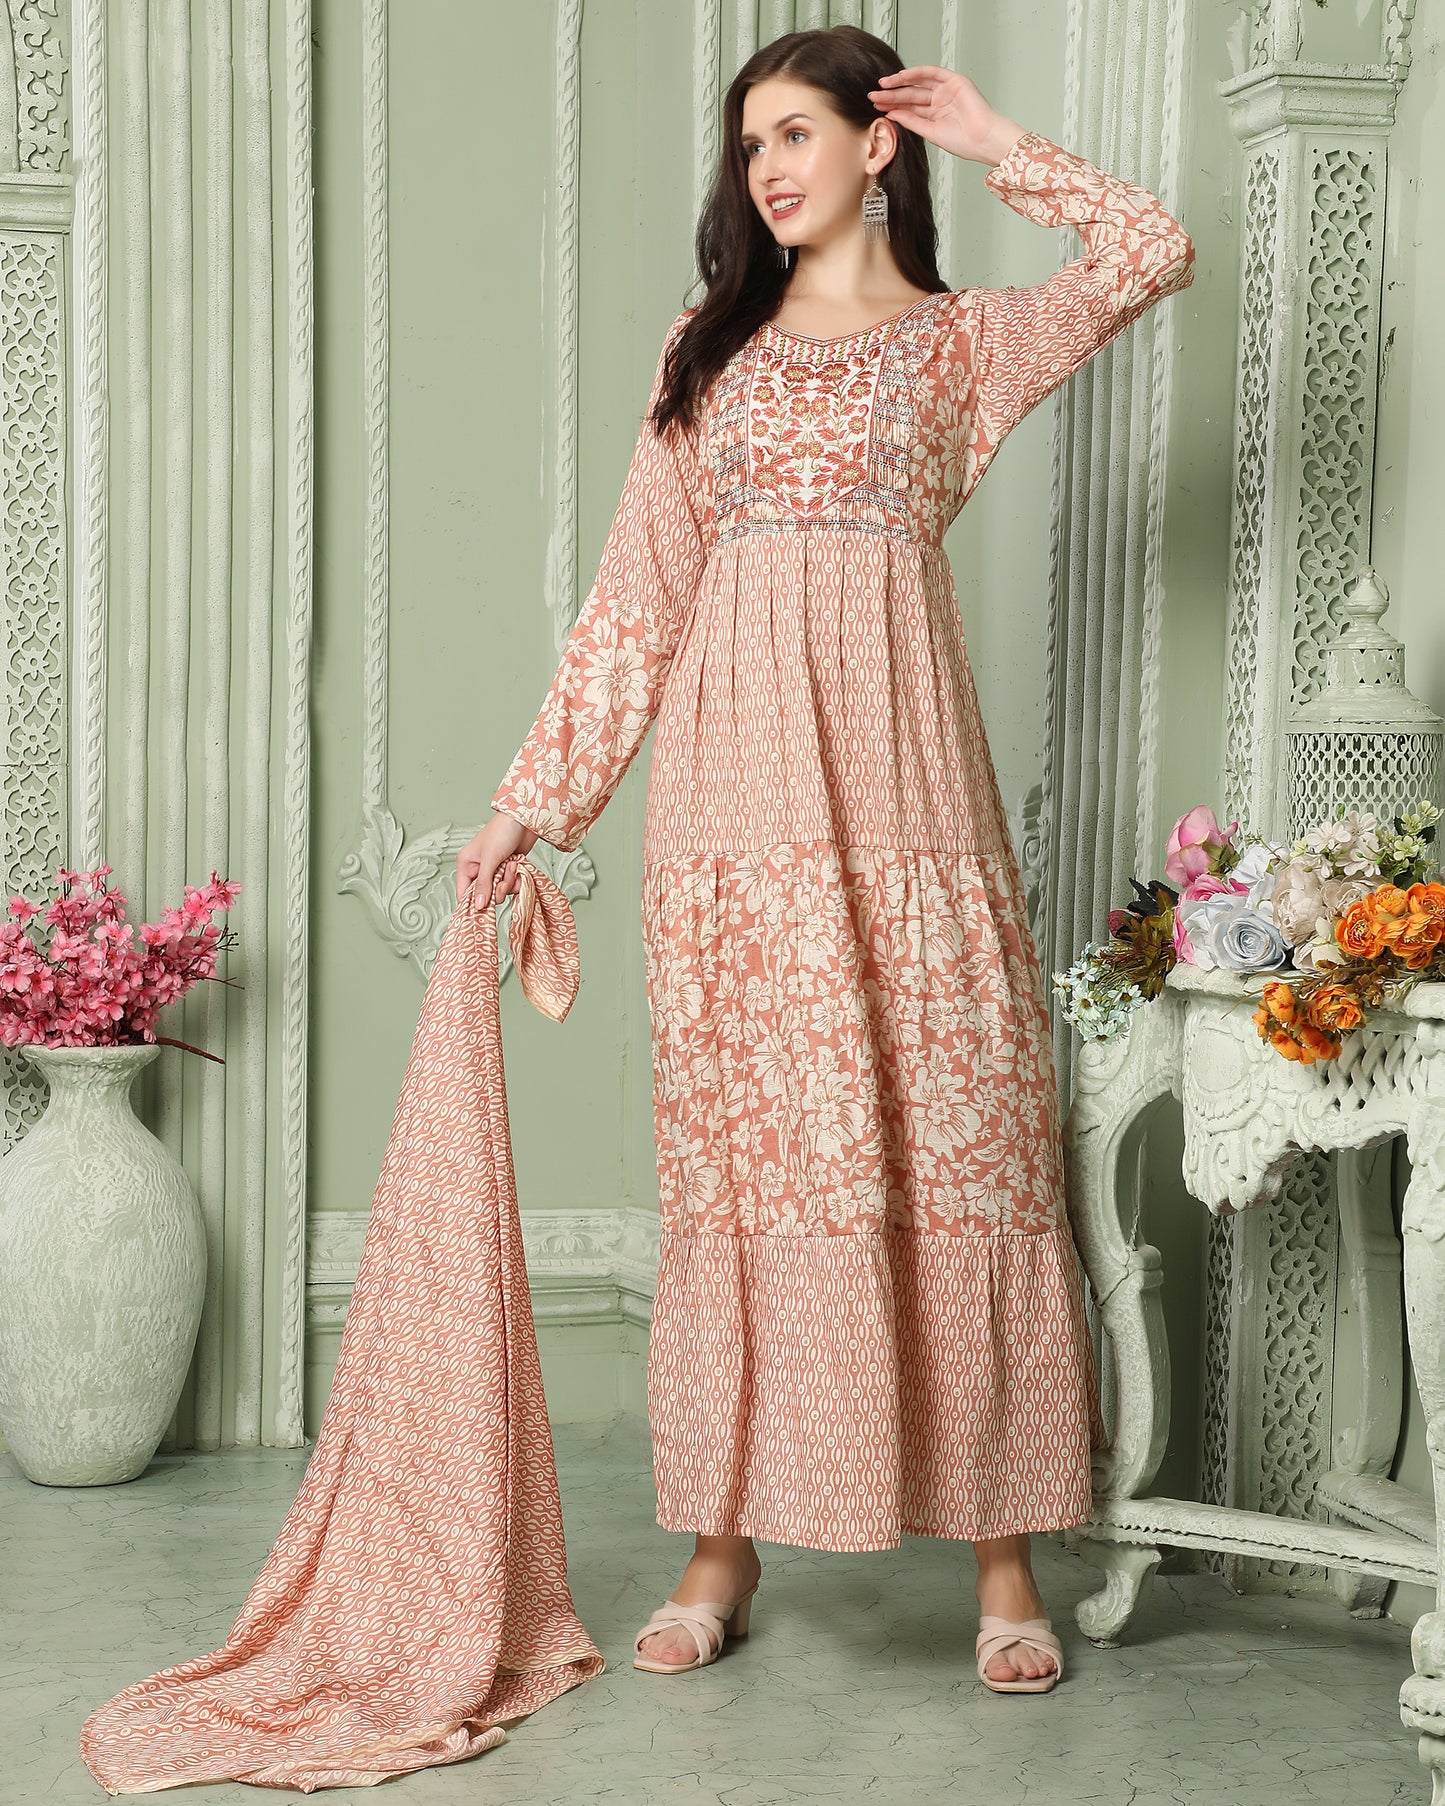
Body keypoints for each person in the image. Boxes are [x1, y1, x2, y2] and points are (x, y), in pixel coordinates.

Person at [460, 24, 1194, 1692]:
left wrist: (997, 137)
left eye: (796, 133)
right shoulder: (704, 352)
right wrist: (534, 802)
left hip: (911, 803)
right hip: (730, 824)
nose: (767, 169)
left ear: (878, 145)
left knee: (957, 1142)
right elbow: (635, 600)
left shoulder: (960, 344)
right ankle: (720, 1546)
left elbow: (1149, 247)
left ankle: (1004, 1558)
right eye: (750, 146)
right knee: (754, 1162)